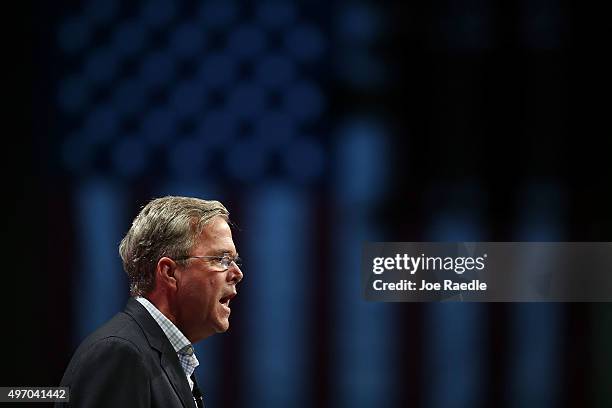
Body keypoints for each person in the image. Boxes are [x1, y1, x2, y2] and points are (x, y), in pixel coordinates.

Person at [56, 196, 243, 408]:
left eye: (234, 261)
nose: (237, 273)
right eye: (221, 260)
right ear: (169, 272)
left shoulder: (162, 357)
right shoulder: (121, 354)